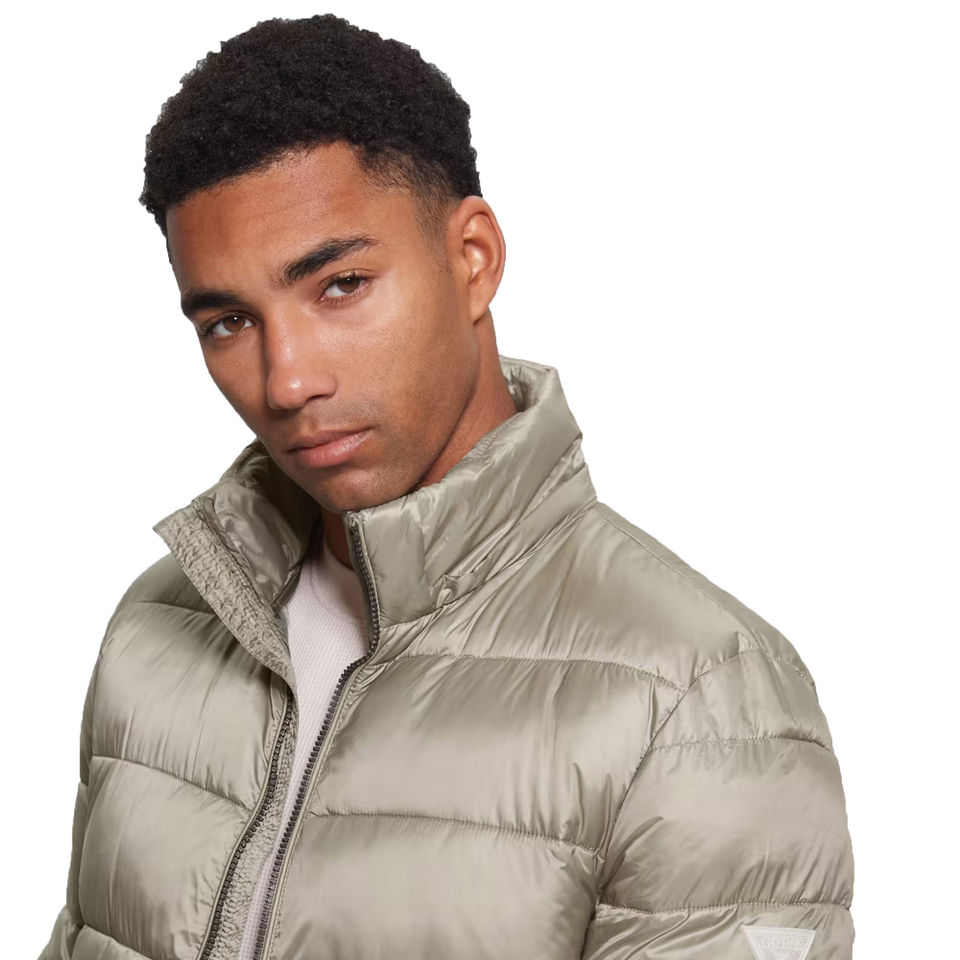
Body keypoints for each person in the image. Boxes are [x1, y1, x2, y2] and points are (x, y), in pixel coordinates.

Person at [39, 13, 854, 960]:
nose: (286, 380)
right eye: (228, 322)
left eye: (340, 285)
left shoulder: (700, 700)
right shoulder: (158, 630)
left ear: (473, 259)